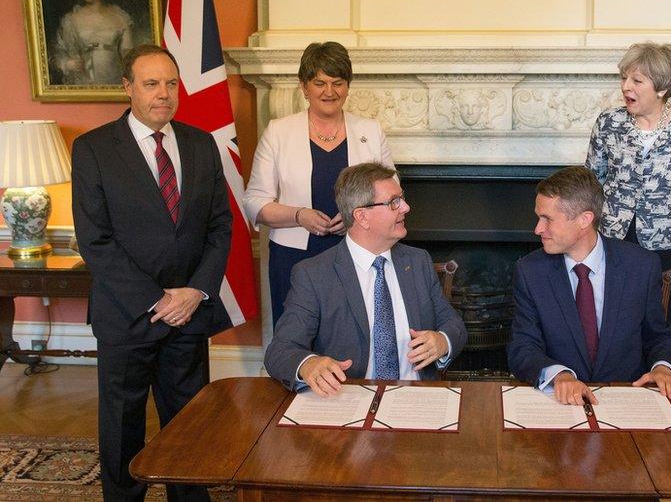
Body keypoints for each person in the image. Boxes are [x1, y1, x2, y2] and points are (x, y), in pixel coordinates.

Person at [72, 44, 231, 501]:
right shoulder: (94, 149)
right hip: (128, 316)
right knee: (123, 429)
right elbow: (95, 240)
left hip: (189, 314)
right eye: (151, 84)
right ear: (127, 88)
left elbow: (220, 226)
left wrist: (196, 292)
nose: (164, 94)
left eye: (171, 83)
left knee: (189, 427)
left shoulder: (202, 145)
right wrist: (157, 299)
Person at [264, 162, 467, 396]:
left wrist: (442, 341)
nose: (406, 207)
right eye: (394, 202)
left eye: (402, 198)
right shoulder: (314, 274)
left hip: (415, 397)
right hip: (348, 399)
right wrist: (308, 364)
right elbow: (280, 350)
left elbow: (454, 325)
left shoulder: (418, 261)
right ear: (361, 216)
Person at [586, 42, 671, 354]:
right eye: (624, 78)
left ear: (661, 87)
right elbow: (590, 182)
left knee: (664, 327)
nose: (625, 87)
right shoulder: (609, 123)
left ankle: (664, 393)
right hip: (615, 242)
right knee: (614, 325)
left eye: (636, 81)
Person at [507, 166, 671, 406]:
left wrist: (663, 369)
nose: (538, 229)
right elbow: (522, 346)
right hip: (559, 404)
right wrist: (559, 375)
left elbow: (658, 336)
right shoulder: (530, 271)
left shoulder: (641, 266)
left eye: (547, 219)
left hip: (626, 400)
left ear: (584, 219)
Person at [244, 41, 394, 327]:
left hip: (358, 254)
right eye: (319, 83)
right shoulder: (279, 132)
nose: (329, 92)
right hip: (293, 258)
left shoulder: (370, 131)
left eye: (338, 82)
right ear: (304, 86)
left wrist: (355, 218)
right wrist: (299, 215)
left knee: (354, 336)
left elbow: (392, 198)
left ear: (348, 85)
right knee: (298, 338)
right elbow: (254, 202)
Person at [52, 0, 134, 85]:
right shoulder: (71, 19)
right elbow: (57, 55)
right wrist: (68, 63)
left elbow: (129, 57)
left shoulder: (120, 18)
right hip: (83, 83)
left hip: (114, 82)